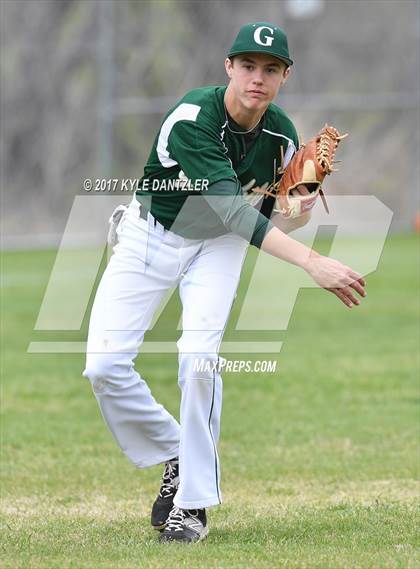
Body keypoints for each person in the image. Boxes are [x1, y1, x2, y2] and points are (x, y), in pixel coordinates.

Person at [83, 22, 366, 543]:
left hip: (218, 248)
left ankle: (191, 506)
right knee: (103, 366)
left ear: (285, 76)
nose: (258, 78)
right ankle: (176, 450)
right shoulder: (194, 119)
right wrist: (312, 262)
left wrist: (296, 209)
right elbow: (237, 214)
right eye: (248, 66)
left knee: (198, 360)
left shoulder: (280, 131)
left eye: (271, 69)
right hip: (153, 236)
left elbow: (270, 215)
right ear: (228, 67)